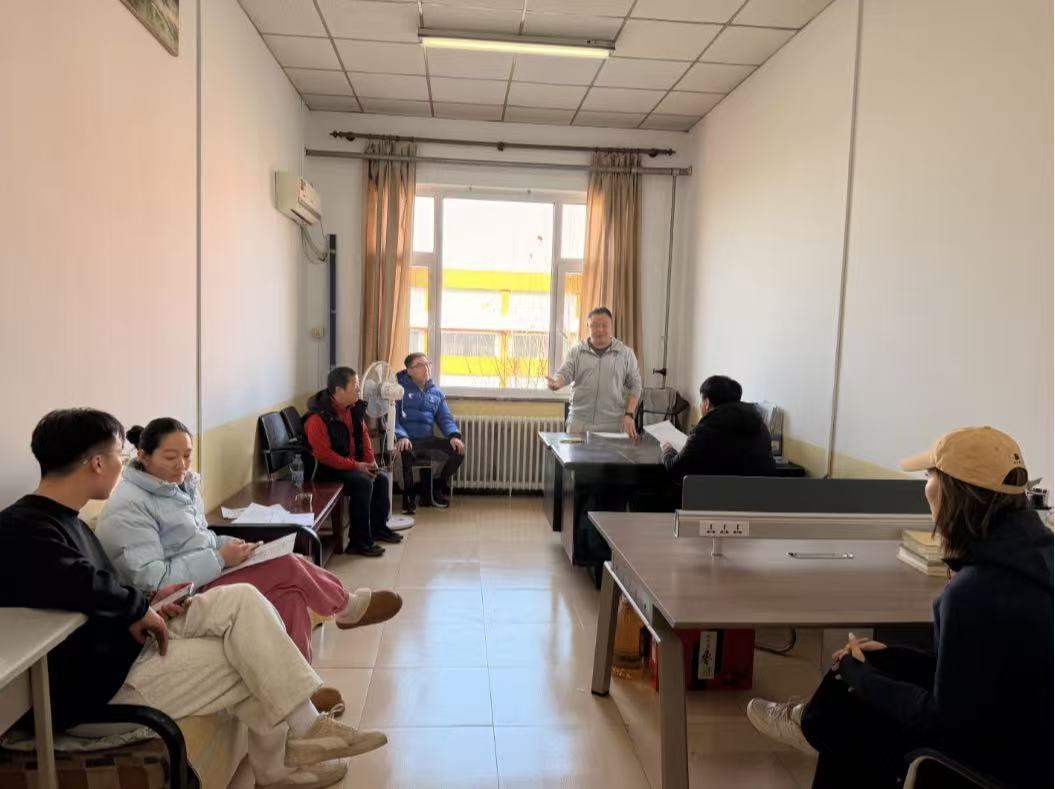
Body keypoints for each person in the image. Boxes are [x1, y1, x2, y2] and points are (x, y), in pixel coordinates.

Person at [0, 409, 392, 789]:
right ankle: (286, 756)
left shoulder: (61, 521)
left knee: (243, 600)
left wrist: (147, 601)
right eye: (120, 454)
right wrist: (138, 606)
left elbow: (85, 590)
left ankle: (305, 732)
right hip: (98, 686)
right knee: (252, 656)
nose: (123, 464)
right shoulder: (23, 528)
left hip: (125, 646)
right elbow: (80, 583)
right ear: (97, 463)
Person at [745, 426, 1053, 789]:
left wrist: (860, 677)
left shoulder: (973, 592)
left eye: (930, 476)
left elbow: (943, 719)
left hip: (1001, 762)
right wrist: (892, 655)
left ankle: (812, 724)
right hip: (1030, 735)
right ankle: (813, 720)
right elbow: (982, 672)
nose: (926, 487)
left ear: (949, 492)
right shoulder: (1038, 559)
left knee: (851, 714)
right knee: (877, 664)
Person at [95, 417, 403, 695]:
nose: (181, 465)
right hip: (177, 601)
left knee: (291, 596)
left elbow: (200, 539)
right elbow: (152, 580)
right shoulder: (130, 506)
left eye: (187, 456)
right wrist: (219, 559)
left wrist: (235, 545)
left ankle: (304, 692)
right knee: (287, 564)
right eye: (170, 457)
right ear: (143, 456)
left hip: (205, 575)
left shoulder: (178, 488)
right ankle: (346, 606)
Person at [304, 366, 402, 557]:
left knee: (380, 478)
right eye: (355, 386)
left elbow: (363, 435)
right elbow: (324, 455)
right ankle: (358, 541)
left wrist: (370, 462)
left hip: (347, 464)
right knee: (363, 483)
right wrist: (357, 466)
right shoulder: (317, 418)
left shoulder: (352, 408)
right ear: (339, 390)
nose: (360, 389)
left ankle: (378, 529)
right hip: (324, 469)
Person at [546, 306, 642, 437]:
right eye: (595, 325)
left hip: (613, 424)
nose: (600, 330)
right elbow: (565, 373)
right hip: (579, 423)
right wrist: (557, 383)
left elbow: (636, 385)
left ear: (611, 326)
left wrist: (629, 414)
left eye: (604, 325)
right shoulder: (577, 351)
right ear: (588, 326)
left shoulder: (625, 353)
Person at [660, 375, 776, 482]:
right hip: (760, 496)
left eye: (701, 401)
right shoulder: (760, 426)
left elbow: (675, 468)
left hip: (715, 496)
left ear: (707, 403)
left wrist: (667, 448)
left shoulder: (703, 432)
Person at [394, 353, 465, 513]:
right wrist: (401, 436)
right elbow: (393, 419)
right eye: (420, 365)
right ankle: (408, 496)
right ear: (409, 371)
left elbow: (445, 418)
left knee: (458, 451)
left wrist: (453, 436)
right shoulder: (398, 390)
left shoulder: (436, 393)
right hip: (408, 440)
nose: (425, 368)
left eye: (427, 364)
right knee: (404, 451)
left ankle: (436, 488)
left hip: (427, 440)